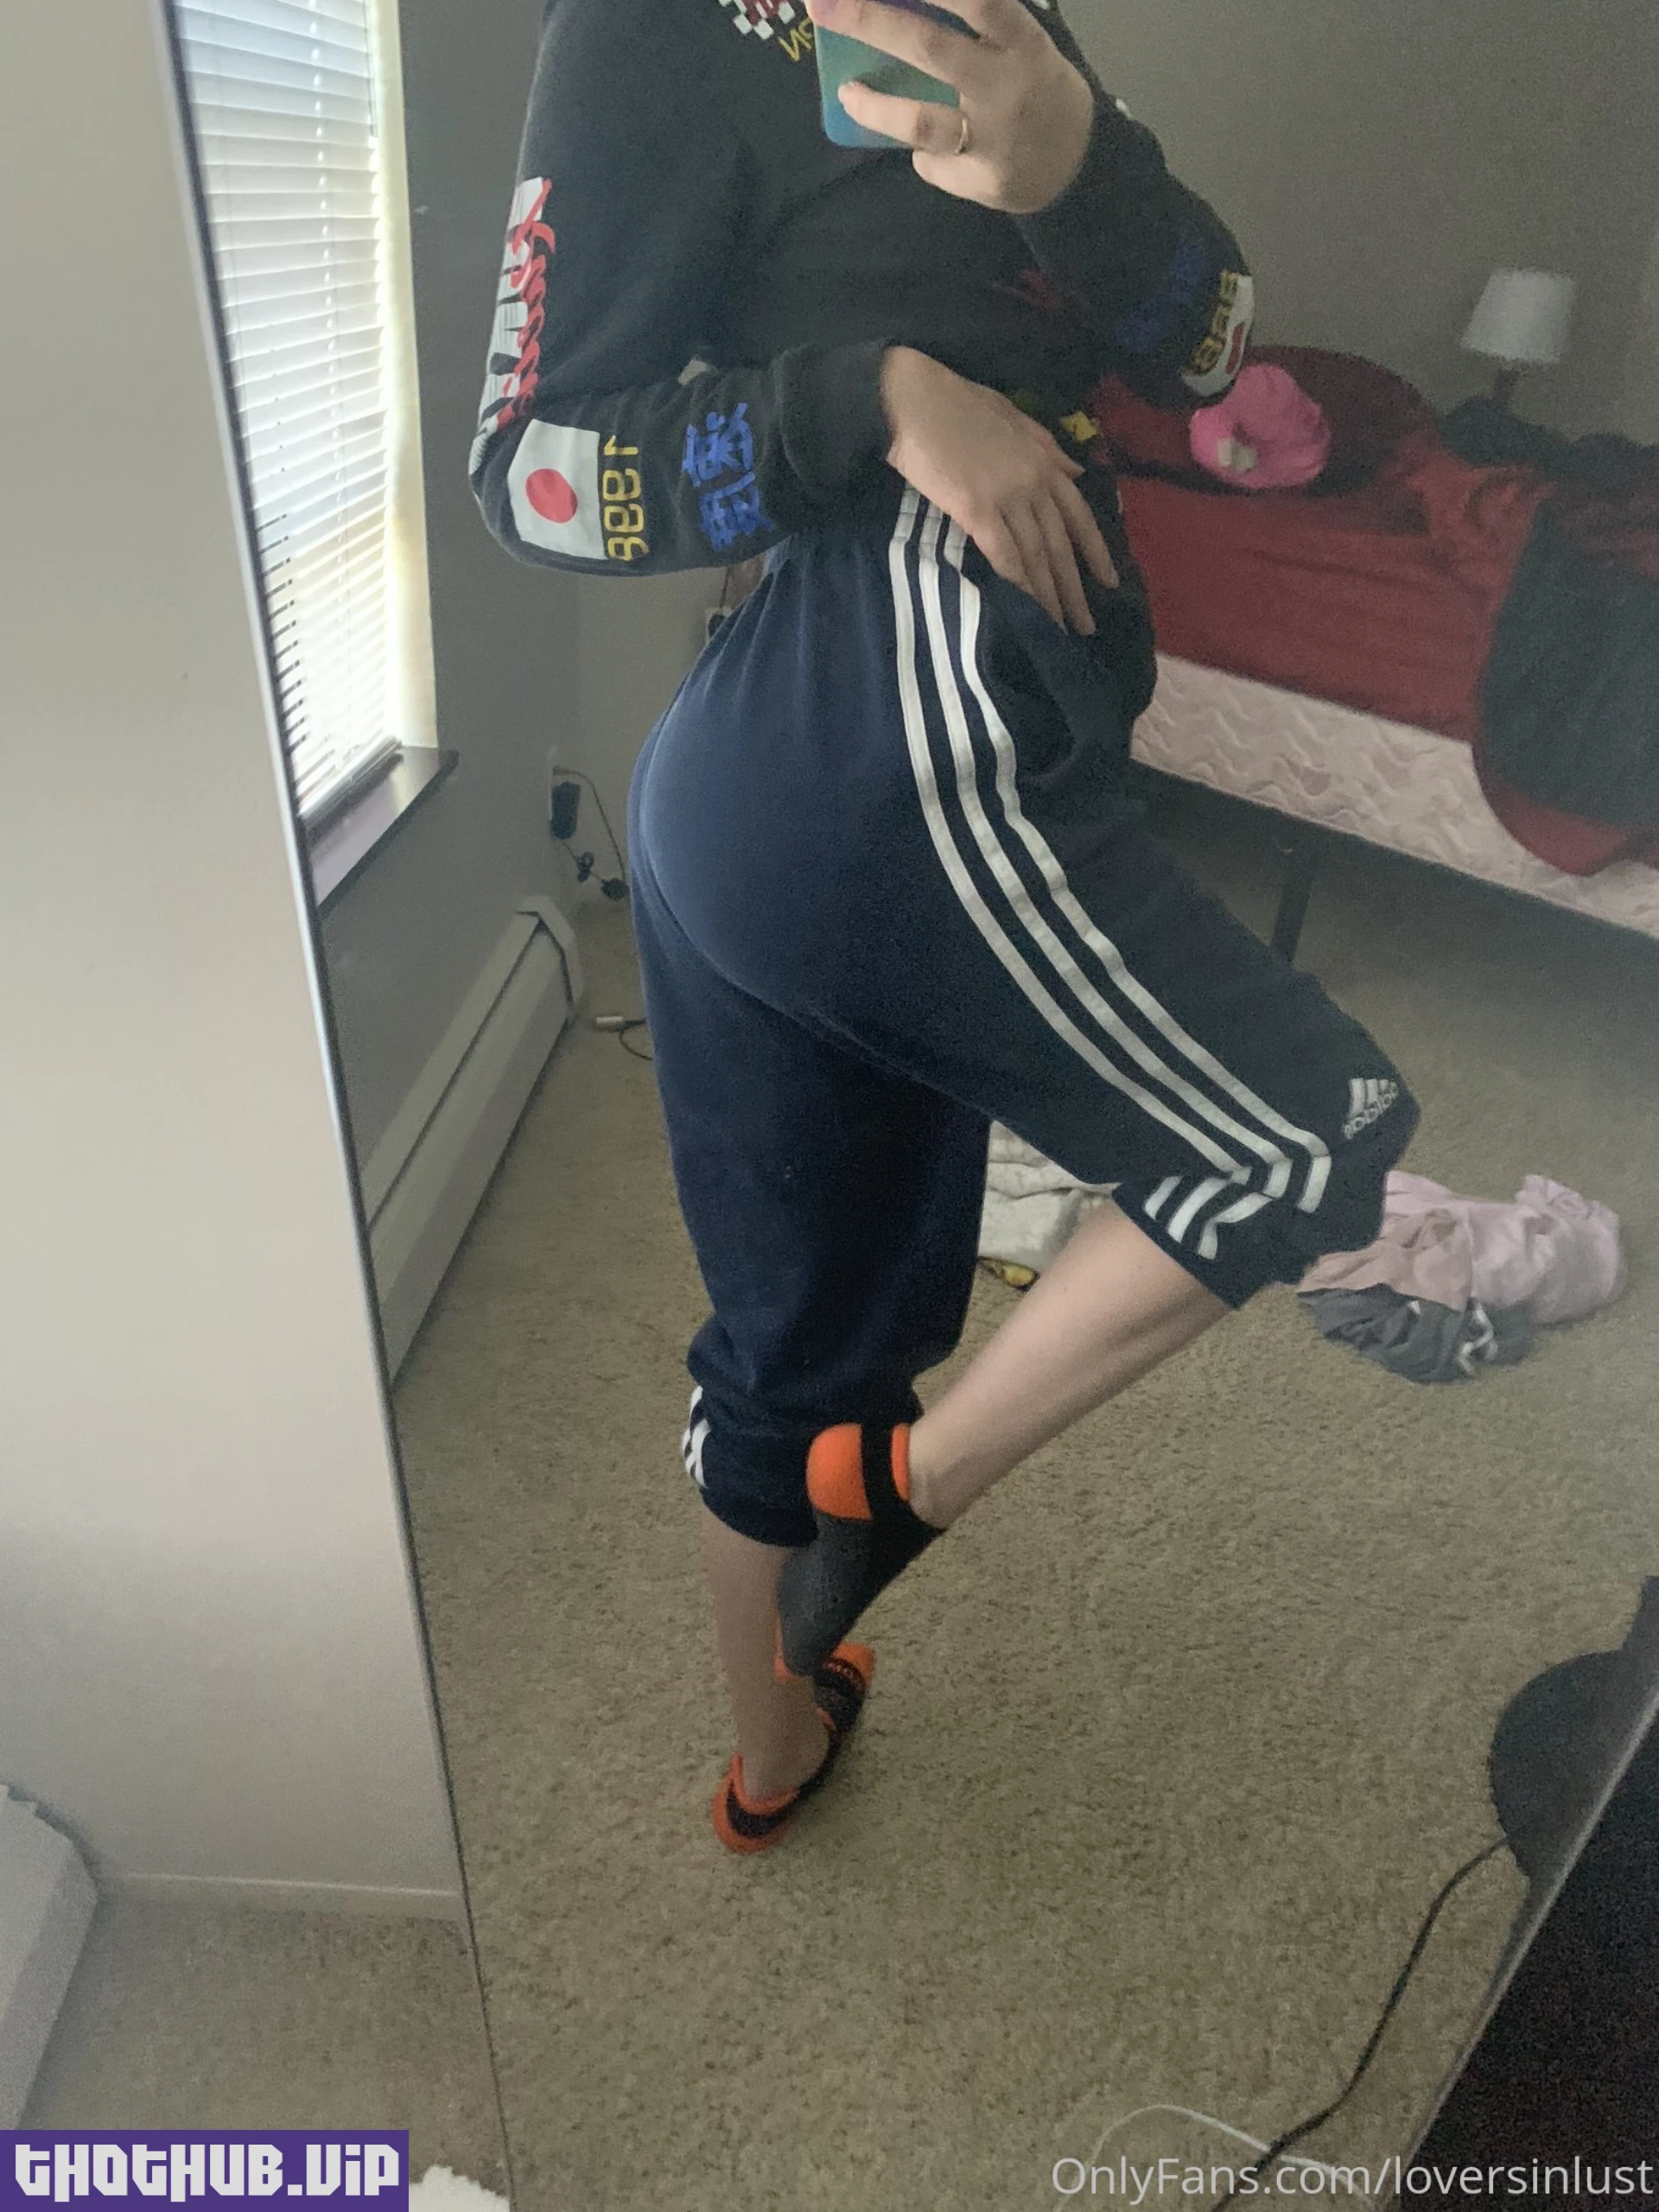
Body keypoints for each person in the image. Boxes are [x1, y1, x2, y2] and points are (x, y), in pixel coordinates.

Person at [472, 0, 1418, 1853]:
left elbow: (1212, 344)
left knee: (803, 1338)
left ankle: (772, 1757)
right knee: (1310, 1133)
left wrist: (1079, 164)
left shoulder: (1005, 19)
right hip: (895, 732)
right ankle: (901, 1492)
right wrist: (882, 395)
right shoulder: (654, 25)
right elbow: (535, 474)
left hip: (769, 772)